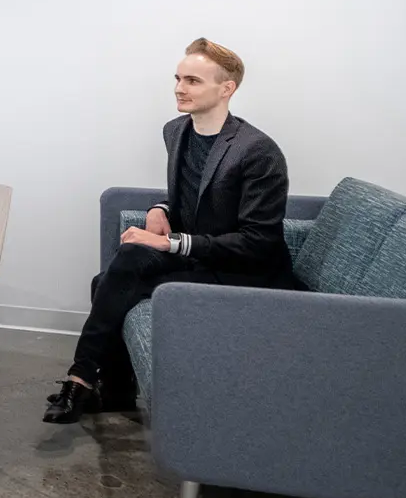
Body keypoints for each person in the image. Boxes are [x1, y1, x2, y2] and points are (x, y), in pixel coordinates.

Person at [45, 38, 298, 424]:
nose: (179, 88)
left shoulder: (257, 152)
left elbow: (258, 242)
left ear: (226, 88)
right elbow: (193, 196)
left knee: (115, 273)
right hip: (200, 257)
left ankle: (82, 380)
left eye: (193, 81)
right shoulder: (176, 131)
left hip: (243, 273)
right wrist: (161, 209)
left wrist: (169, 242)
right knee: (111, 276)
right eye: (178, 78)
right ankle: (103, 389)